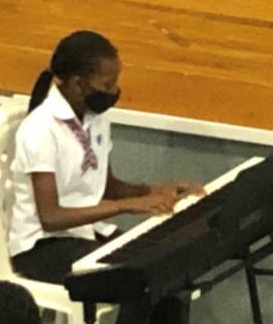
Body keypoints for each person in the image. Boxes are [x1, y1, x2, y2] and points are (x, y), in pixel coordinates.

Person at [8, 30, 204, 323]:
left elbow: (109, 186)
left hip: (87, 233)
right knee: (139, 282)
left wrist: (155, 192)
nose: (114, 91)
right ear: (77, 84)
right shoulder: (40, 130)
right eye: (107, 84)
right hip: (42, 247)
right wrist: (126, 207)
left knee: (169, 272)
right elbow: (51, 217)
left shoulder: (96, 118)